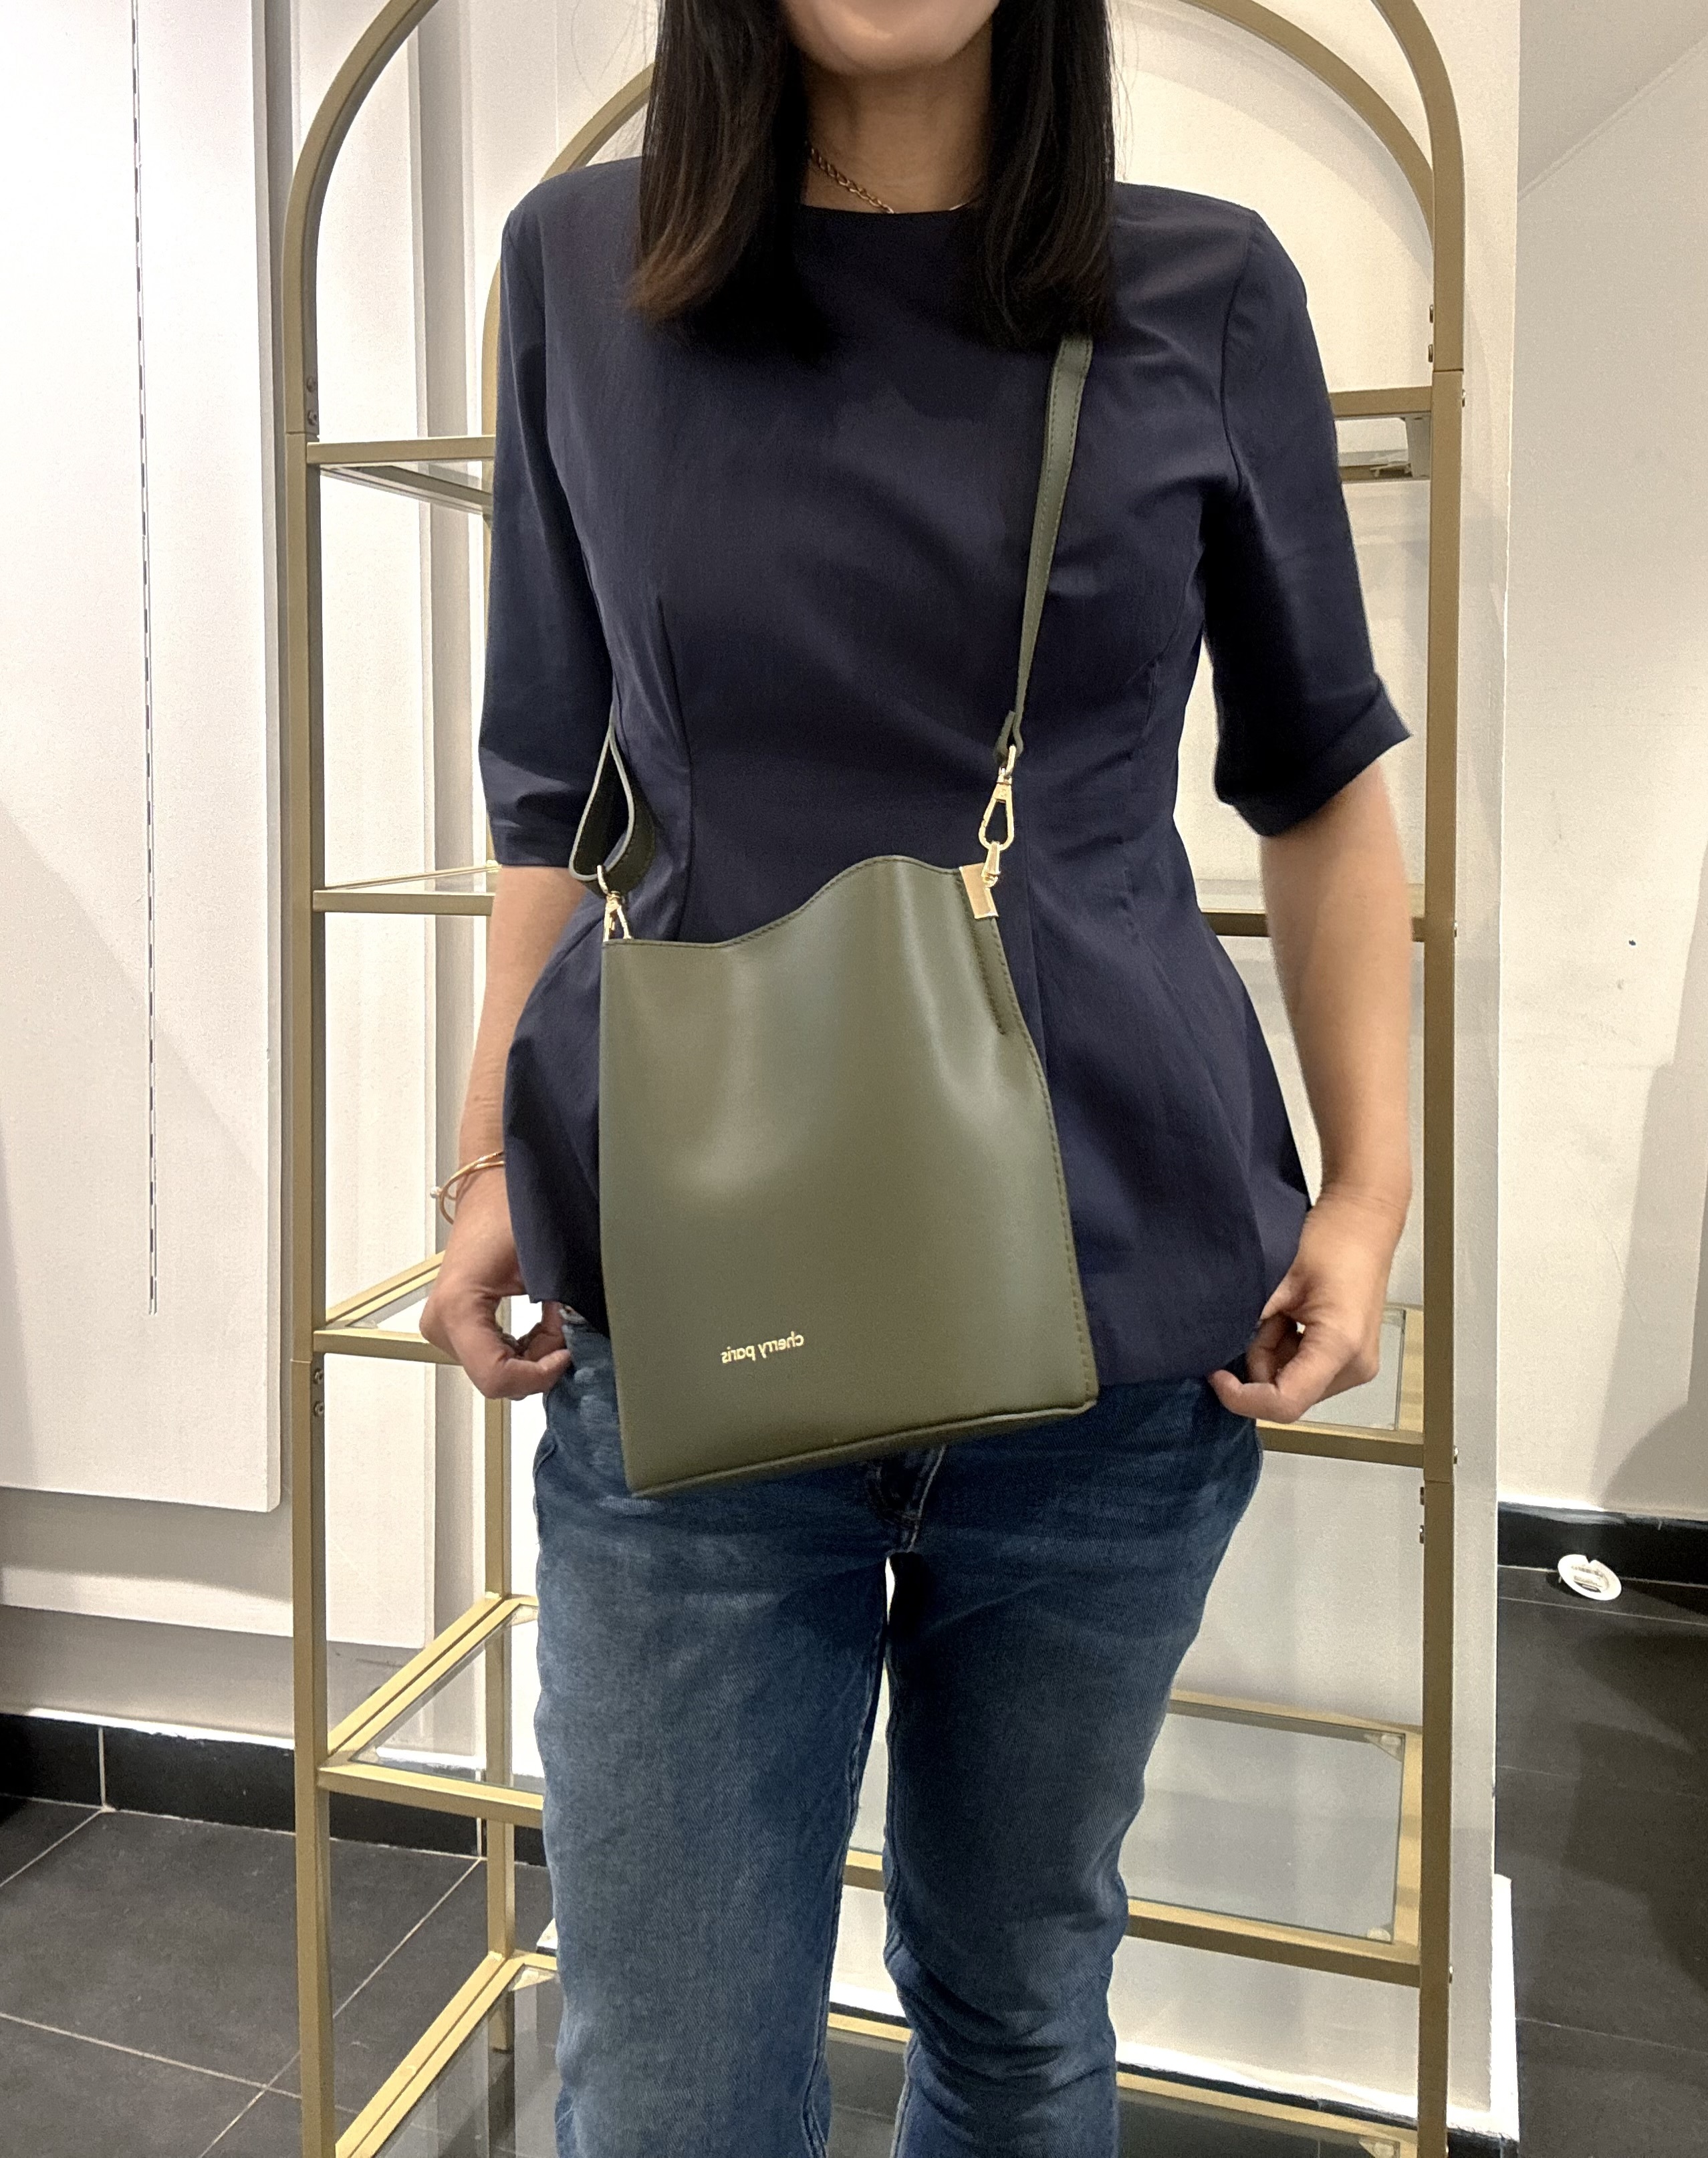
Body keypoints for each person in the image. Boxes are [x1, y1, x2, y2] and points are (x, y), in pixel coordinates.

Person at [420, 0, 1414, 2148]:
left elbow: (1322, 775)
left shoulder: (1203, 289)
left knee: (1018, 1997)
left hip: (1113, 1318)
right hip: (694, 1296)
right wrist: (490, 1154)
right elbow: (549, 788)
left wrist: (1365, 1194)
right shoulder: (580, 269)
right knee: (673, 2082)